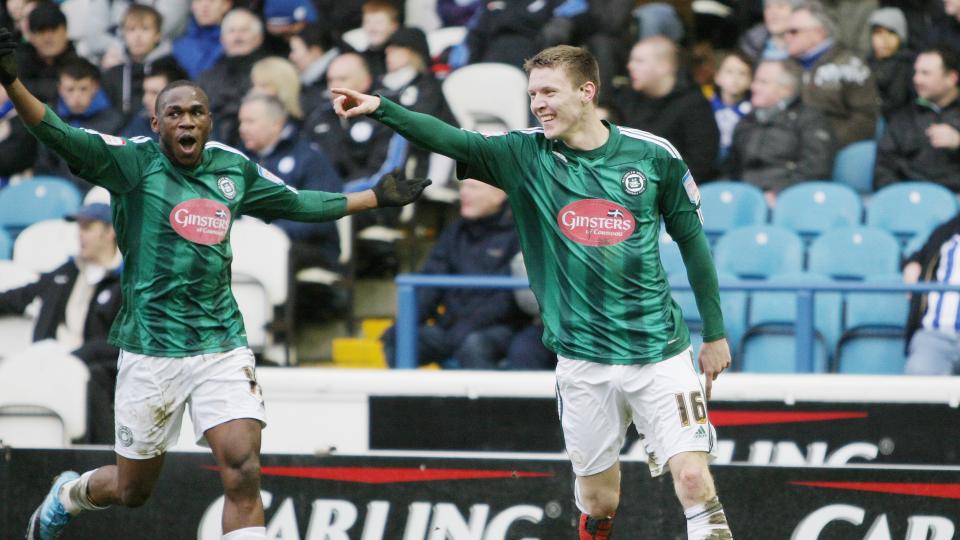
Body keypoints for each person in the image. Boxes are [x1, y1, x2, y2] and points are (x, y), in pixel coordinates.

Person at [0, 25, 429, 540]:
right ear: (156, 122)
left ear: (209, 120)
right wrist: (13, 85)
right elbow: (56, 132)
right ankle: (68, 494)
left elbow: (295, 201)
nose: (186, 121)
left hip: (220, 342)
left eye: (196, 113)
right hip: (151, 349)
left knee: (243, 466)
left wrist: (374, 199)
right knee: (133, 490)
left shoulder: (233, 168)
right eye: (175, 113)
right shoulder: (131, 162)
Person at [333, 44, 733, 539]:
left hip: (660, 352)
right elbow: (454, 140)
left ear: (588, 91)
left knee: (694, 479)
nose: (538, 103)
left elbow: (693, 244)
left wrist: (714, 333)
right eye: (532, 94)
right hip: (584, 361)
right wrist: (384, 109)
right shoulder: (525, 155)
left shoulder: (653, 156)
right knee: (599, 500)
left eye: (549, 91)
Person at [0, 201, 122, 444]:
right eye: (79, 227)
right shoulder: (66, 272)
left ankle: (99, 457)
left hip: (93, 366)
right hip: (48, 359)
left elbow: (120, 340)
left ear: (110, 232)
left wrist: (76, 356)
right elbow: (21, 297)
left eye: (88, 227)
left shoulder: (124, 282)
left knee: (89, 376)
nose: (80, 234)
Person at [380, 178, 526, 369]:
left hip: (501, 329)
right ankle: (405, 398)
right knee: (399, 337)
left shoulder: (521, 233)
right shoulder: (455, 232)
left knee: (473, 345)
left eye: (473, 187)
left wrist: (464, 328)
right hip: (452, 328)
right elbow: (430, 282)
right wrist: (406, 324)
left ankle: (484, 400)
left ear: (499, 195)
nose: (464, 193)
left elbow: (507, 301)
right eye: (463, 186)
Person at [724, 59, 834, 203]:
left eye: (763, 82)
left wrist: (780, 193)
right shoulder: (746, 121)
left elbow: (816, 168)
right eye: (755, 81)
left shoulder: (810, 120)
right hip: (743, 199)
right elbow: (731, 168)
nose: (753, 87)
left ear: (786, 90)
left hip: (789, 200)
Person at [616, 36, 721, 182]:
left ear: (664, 66)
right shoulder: (627, 99)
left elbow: (701, 164)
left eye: (639, 61)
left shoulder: (694, 105)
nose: (630, 66)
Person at [784, 1, 878, 148]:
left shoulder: (851, 67)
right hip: (780, 146)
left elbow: (865, 120)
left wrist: (824, 140)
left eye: (794, 31)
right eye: (786, 31)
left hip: (828, 150)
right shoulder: (783, 66)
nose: (787, 37)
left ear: (818, 33)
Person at [874, 45, 960, 192]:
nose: (916, 79)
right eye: (916, 72)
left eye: (925, 73)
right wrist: (903, 198)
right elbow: (884, 169)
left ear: (951, 78)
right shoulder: (903, 118)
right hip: (910, 201)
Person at [902, 212, 960, 375]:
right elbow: (922, 254)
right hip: (935, 336)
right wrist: (912, 264)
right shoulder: (948, 231)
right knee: (919, 384)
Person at [867, 7, 914, 120]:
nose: (885, 39)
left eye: (892, 32)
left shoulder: (906, 63)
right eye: (878, 33)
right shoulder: (866, 61)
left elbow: (896, 101)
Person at [709, 51, 754, 164]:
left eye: (742, 73)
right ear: (717, 77)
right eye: (729, 72)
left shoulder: (753, 112)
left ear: (750, 81)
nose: (735, 78)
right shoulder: (705, 108)